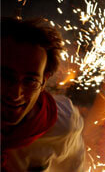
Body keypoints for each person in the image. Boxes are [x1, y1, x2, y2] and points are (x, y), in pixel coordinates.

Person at [1, 17, 85, 172]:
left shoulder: (63, 124)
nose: (15, 93)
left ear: (43, 83)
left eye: (30, 81)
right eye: (6, 76)